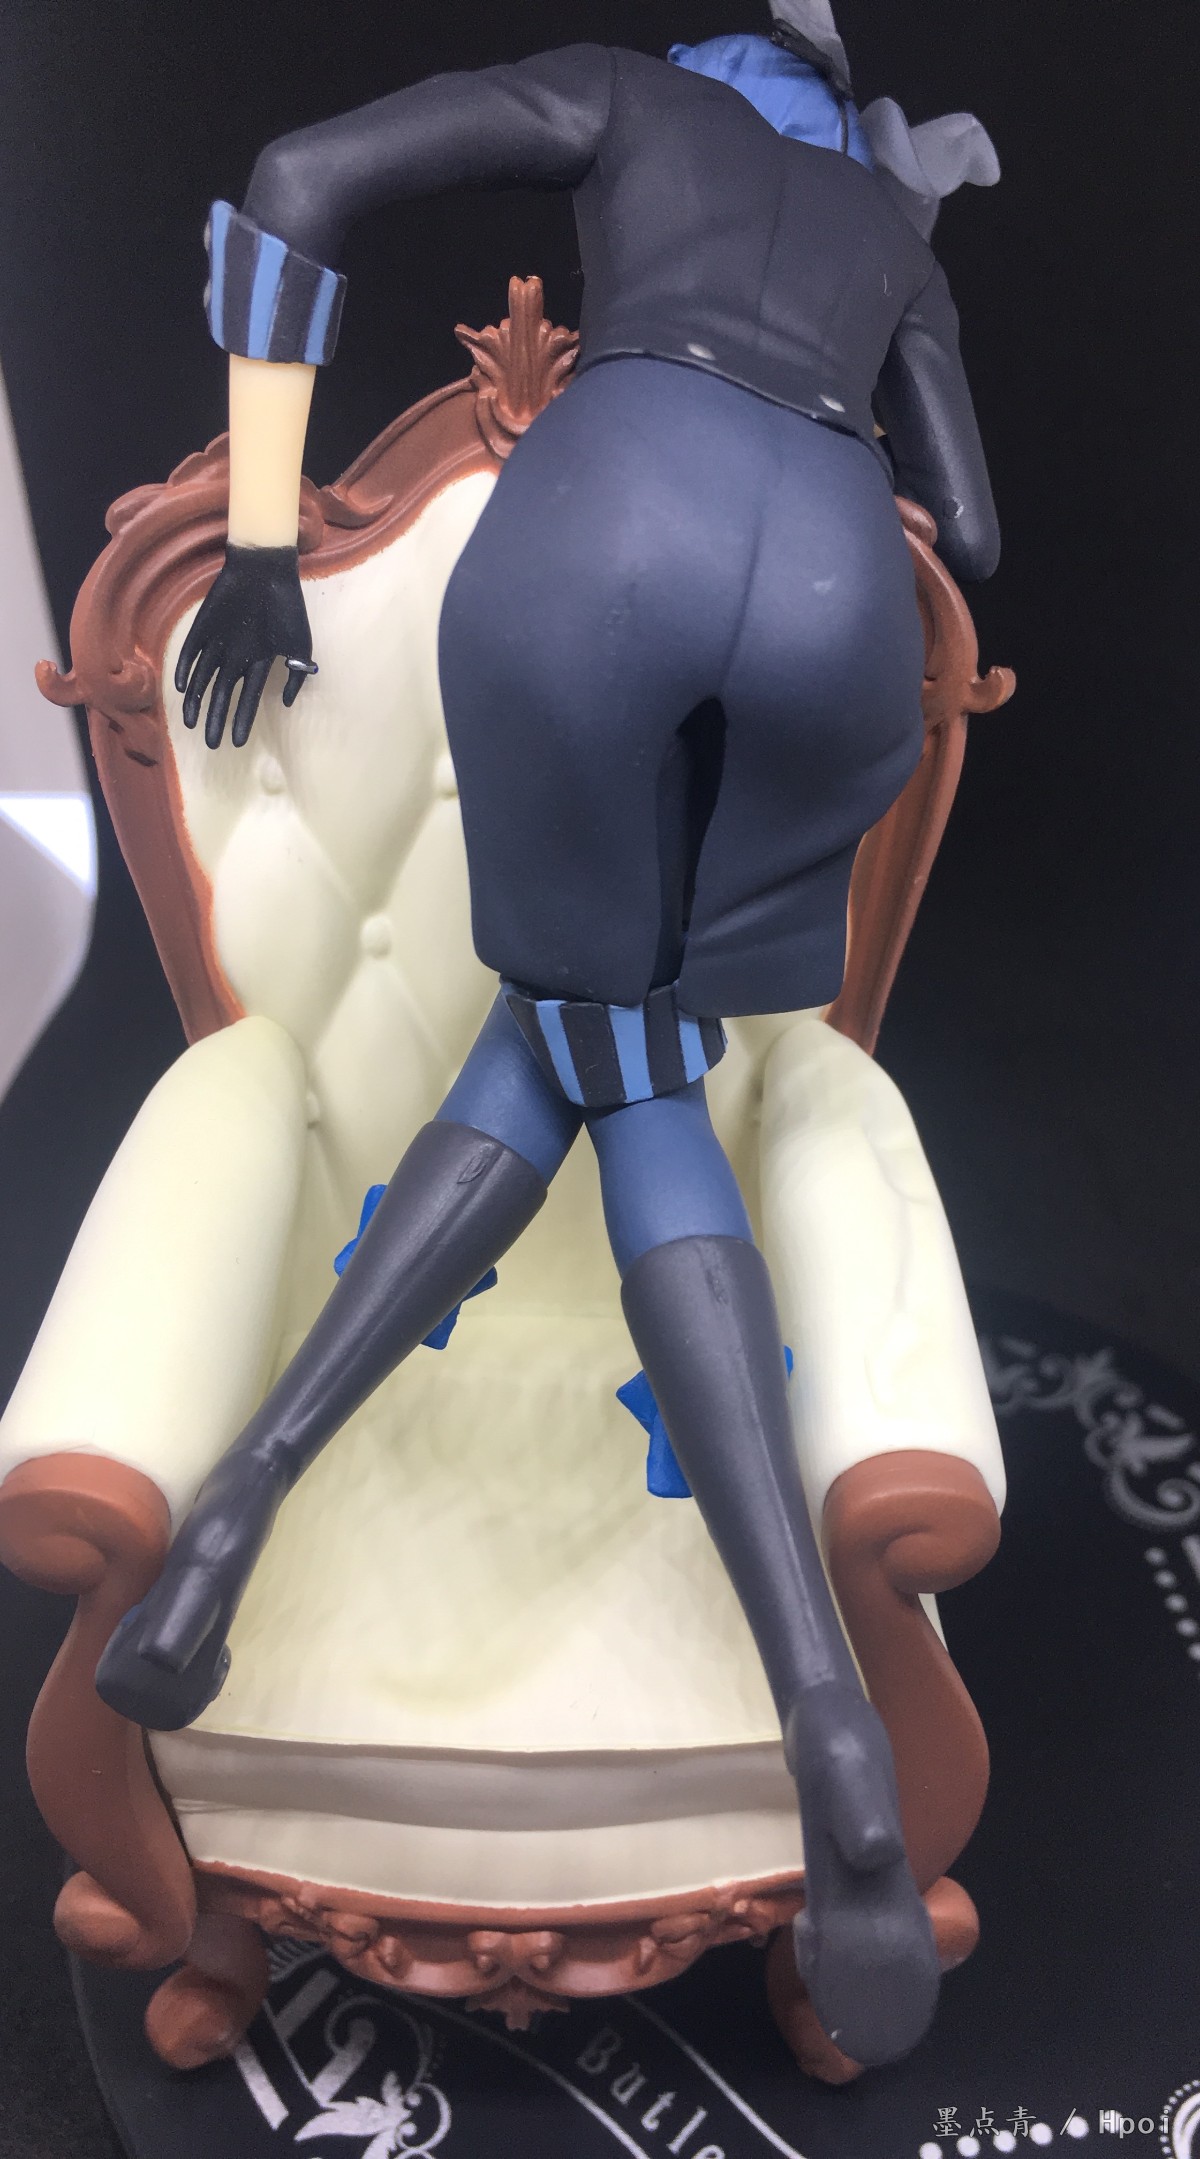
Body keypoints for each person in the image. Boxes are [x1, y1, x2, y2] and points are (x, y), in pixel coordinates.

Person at [97, 0, 1001, 2067]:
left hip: (608, 540)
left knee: (585, 1039)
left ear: (711, 62)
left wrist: (264, 541)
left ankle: (244, 1492)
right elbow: (974, 533)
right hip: (838, 623)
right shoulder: (891, 228)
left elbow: (300, 180)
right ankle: (827, 1700)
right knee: (628, 1052)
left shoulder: (623, 94)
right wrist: (891, 269)